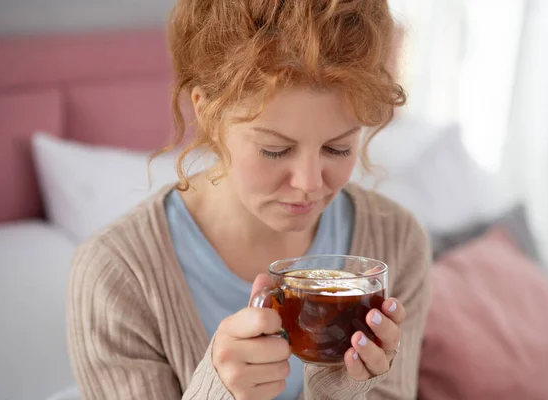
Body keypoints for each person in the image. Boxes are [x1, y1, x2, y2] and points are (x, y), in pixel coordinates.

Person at [66, 1, 431, 399]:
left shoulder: (396, 242)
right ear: (206, 114)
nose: (309, 183)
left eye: (338, 148)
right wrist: (217, 392)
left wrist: (342, 391)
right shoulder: (117, 278)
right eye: (275, 150)